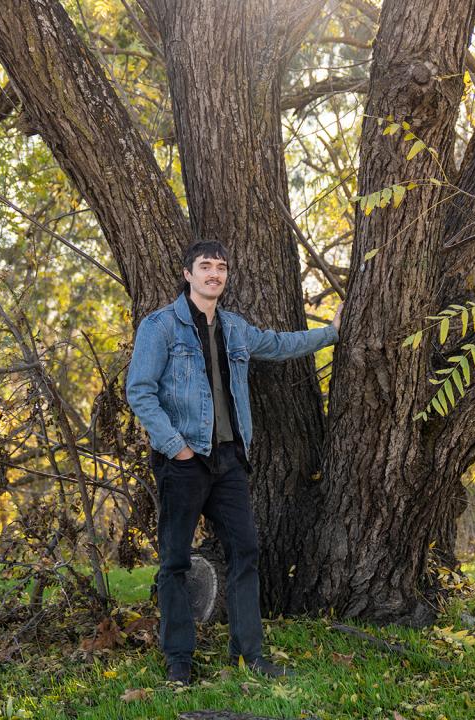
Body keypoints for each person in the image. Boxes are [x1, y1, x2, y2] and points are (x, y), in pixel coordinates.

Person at [125, 240, 341, 685]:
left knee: (245, 551)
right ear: (188, 274)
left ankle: (249, 654)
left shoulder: (235, 328)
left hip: (229, 462)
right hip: (182, 462)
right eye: (206, 267)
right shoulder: (160, 326)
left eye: (221, 268)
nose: (215, 275)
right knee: (175, 562)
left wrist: (331, 332)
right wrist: (176, 446)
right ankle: (179, 661)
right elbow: (139, 391)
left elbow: (280, 344)